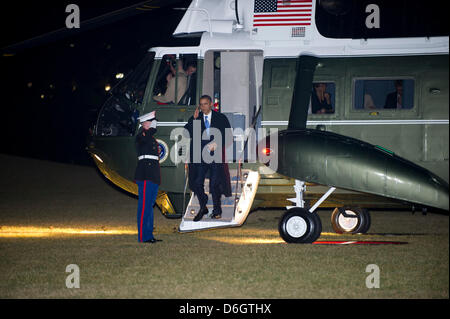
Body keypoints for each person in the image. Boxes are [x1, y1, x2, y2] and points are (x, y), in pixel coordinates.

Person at [184, 95, 232, 221]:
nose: (203, 107)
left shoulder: (220, 118)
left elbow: (228, 136)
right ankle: (203, 205)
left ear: (211, 104)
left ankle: (217, 210)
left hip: (215, 157)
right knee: (196, 183)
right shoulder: (196, 118)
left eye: (205, 104)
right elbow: (186, 133)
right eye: (201, 104)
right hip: (200, 157)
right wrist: (193, 120)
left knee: (214, 184)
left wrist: (217, 143)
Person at [134, 111, 162, 243]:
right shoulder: (142, 135)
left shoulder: (150, 137)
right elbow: (144, 140)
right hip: (145, 174)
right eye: (151, 122)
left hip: (152, 174)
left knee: (149, 205)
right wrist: (151, 129)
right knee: (144, 206)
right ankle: (143, 236)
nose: (153, 125)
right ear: (145, 123)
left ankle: (149, 235)